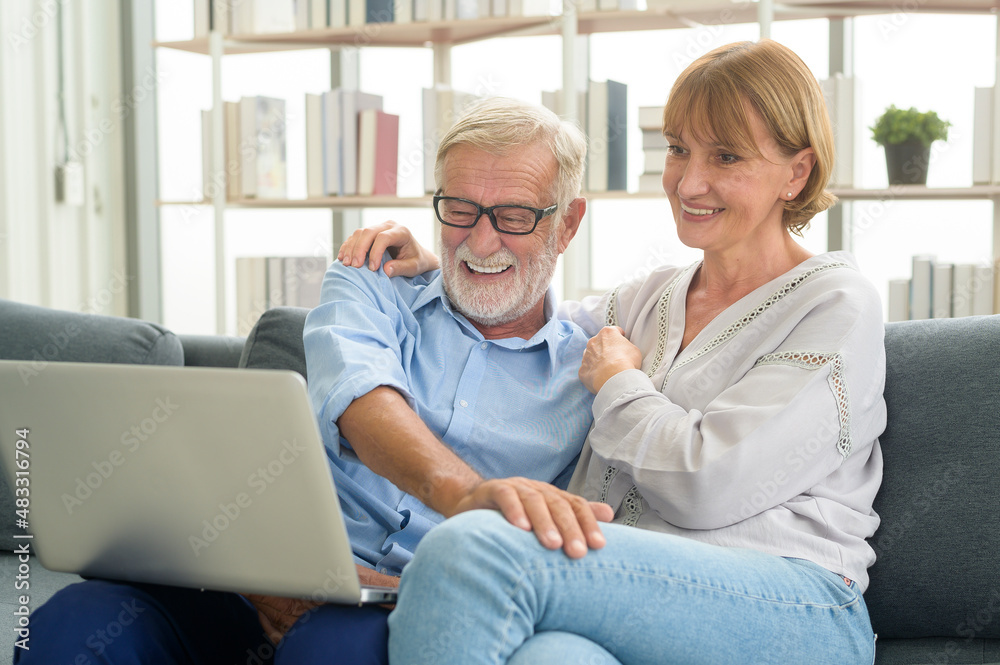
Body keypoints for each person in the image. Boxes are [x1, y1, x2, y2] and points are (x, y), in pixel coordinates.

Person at [15, 97, 612, 665]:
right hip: (254, 583)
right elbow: (361, 399)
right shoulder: (370, 285)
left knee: (329, 647)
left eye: (512, 217)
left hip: (403, 604)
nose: (480, 241)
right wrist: (464, 495)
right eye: (459, 211)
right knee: (74, 622)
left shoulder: (588, 372)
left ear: (568, 224)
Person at [344, 40, 885, 664]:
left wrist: (620, 385)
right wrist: (463, 259)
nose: (689, 180)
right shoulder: (650, 299)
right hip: (634, 599)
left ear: (797, 172)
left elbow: (706, 484)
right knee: (546, 658)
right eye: (679, 148)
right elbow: (533, 322)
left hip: (793, 606)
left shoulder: (835, 305)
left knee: (474, 549)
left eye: (727, 156)